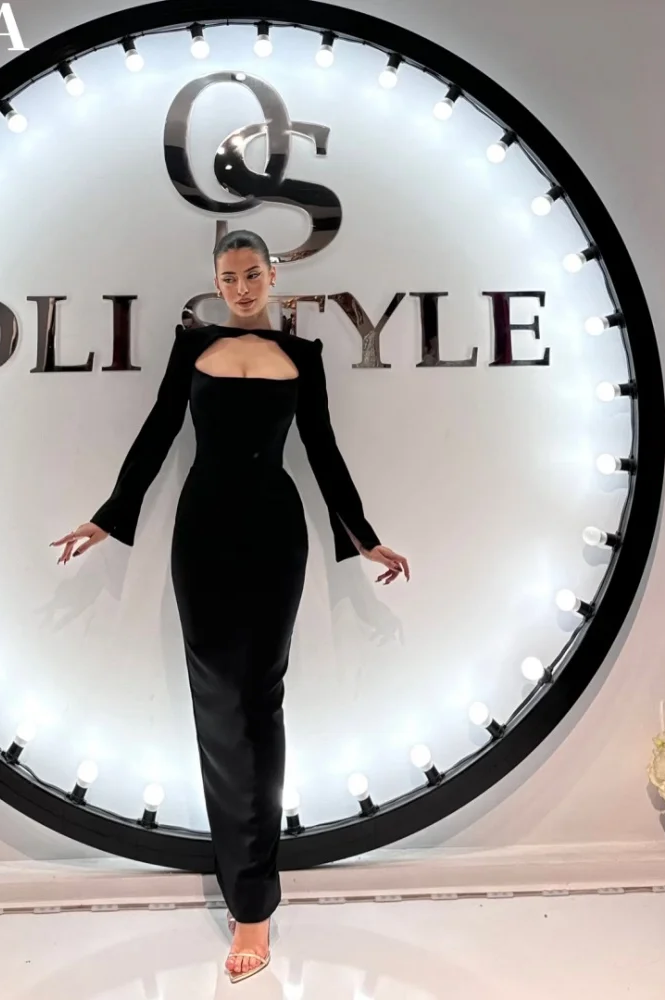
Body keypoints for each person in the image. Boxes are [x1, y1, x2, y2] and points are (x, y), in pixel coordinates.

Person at [51, 230, 410, 984]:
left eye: (252, 274)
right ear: (215, 283)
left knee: (260, 703)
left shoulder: (304, 356)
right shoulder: (192, 348)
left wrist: (366, 537)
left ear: (273, 276)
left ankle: (254, 905)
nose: (242, 288)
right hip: (204, 533)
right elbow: (156, 434)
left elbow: (323, 451)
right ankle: (245, 889)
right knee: (217, 702)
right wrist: (107, 518)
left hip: (276, 534)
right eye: (228, 277)